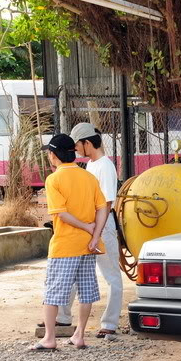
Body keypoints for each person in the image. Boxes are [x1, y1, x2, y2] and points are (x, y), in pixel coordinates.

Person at [30, 134, 108, 351]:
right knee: (87, 290)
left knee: (53, 292)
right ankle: (79, 336)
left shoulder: (53, 180)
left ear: (53, 155)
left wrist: (86, 227)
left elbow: (61, 214)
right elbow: (102, 207)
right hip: (88, 245)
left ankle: (49, 338)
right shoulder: (88, 177)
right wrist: (94, 234)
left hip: (64, 245)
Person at [53, 123, 123, 339]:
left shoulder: (105, 166)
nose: (75, 151)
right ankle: (63, 317)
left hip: (101, 226)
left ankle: (109, 323)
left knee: (111, 275)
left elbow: (107, 204)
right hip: (89, 227)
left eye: (77, 146)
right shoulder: (91, 166)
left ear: (87, 143)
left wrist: (95, 233)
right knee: (75, 272)